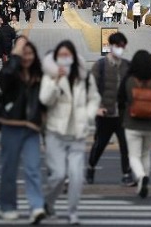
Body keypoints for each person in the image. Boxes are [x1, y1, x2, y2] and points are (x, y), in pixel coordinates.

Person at [40, 41, 101, 225]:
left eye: (68, 55)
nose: (65, 59)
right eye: (61, 55)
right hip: (55, 132)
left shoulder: (84, 76)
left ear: (74, 57)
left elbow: (94, 98)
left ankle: (72, 211)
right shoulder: (50, 76)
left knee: (76, 176)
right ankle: (48, 203)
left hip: (77, 133)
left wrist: (88, 115)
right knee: (58, 175)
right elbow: (45, 99)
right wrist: (57, 80)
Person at [0, 37, 47, 224]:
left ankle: (36, 206)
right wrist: (15, 53)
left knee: (33, 169)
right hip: (11, 126)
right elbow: (4, 79)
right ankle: (7, 206)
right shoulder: (11, 74)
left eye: (29, 53)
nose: (27, 57)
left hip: (31, 128)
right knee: (8, 169)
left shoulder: (38, 76)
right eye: (23, 53)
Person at [87, 32, 134, 185]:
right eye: (117, 46)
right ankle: (91, 166)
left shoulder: (127, 65)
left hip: (122, 114)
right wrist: (96, 108)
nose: (120, 49)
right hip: (104, 113)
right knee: (100, 144)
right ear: (111, 46)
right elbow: (90, 89)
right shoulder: (100, 65)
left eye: (122, 46)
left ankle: (127, 173)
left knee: (125, 145)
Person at [118, 50, 151, 198]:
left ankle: (140, 176)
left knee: (134, 155)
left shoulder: (129, 80)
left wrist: (123, 116)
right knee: (146, 154)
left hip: (132, 123)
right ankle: (143, 182)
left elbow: (120, 100)